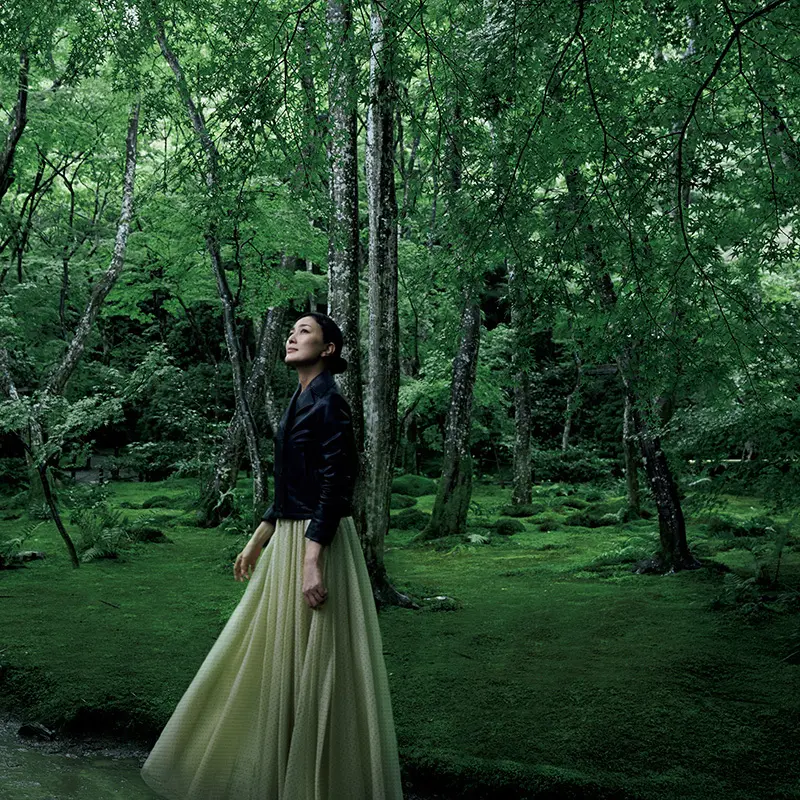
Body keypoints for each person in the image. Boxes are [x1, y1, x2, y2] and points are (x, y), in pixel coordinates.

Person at [140, 312, 404, 800]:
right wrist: (259, 536)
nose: (291, 336)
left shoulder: (331, 403)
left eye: (304, 331)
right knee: (272, 655)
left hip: (318, 542)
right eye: (292, 330)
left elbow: (336, 485)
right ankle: (274, 776)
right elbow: (292, 484)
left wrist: (311, 559)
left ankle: (318, 783)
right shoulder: (300, 398)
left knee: (317, 661)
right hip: (289, 535)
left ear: (328, 349)